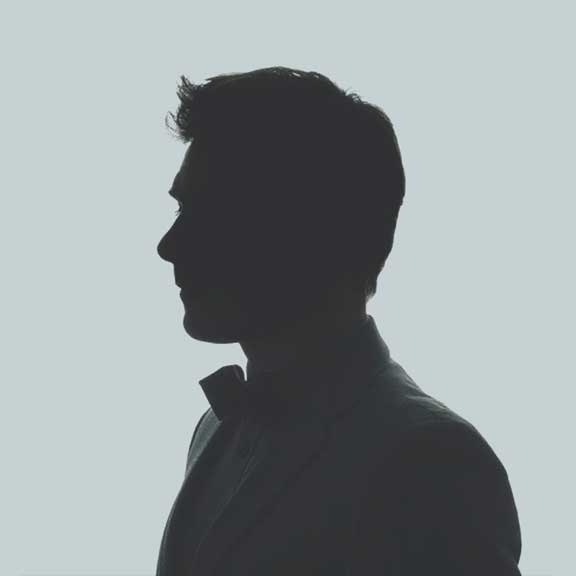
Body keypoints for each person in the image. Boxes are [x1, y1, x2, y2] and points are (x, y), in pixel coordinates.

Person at [156, 66, 522, 575]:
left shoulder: (433, 463)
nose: (169, 246)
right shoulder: (214, 429)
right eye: (180, 210)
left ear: (310, 228)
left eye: (212, 214)